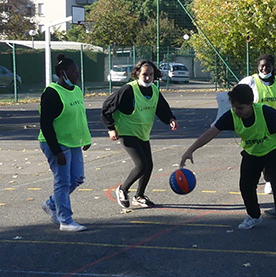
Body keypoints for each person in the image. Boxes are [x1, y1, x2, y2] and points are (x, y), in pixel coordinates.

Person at [180, 84, 276, 239]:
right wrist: (190, 150)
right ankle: (254, 215)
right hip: (253, 152)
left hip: (275, 150)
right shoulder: (232, 115)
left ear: (251, 104)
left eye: (240, 108)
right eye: (234, 107)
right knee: (245, 185)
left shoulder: (266, 113)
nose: (237, 111)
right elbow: (211, 133)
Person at [102, 60, 178, 209]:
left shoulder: (154, 90)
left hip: (142, 133)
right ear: (137, 74)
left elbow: (162, 108)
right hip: (127, 132)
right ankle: (122, 189)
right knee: (141, 164)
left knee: (148, 165)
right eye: (144, 74)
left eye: (151, 74)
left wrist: (170, 119)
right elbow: (106, 107)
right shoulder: (128, 90)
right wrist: (111, 128)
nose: (148, 78)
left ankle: (139, 196)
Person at [38, 54, 92, 232]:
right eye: (73, 72)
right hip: (56, 143)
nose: (77, 76)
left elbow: (79, 117)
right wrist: (56, 151)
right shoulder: (52, 94)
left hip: (73, 141)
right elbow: (45, 124)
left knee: (77, 178)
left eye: (78, 72)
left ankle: (52, 203)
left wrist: (86, 138)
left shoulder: (76, 90)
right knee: (62, 181)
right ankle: (65, 220)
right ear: (63, 73)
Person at [239, 54, 276, 193]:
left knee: (271, 153)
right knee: (255, 154)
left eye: (267, 66)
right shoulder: (250, 81)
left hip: (272, 124)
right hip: (254, 124)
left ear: (273, 67)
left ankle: (269, 180)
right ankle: (257, 180)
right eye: (262, 66)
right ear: (258, 67)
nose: (264, 68)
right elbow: (237, 97)